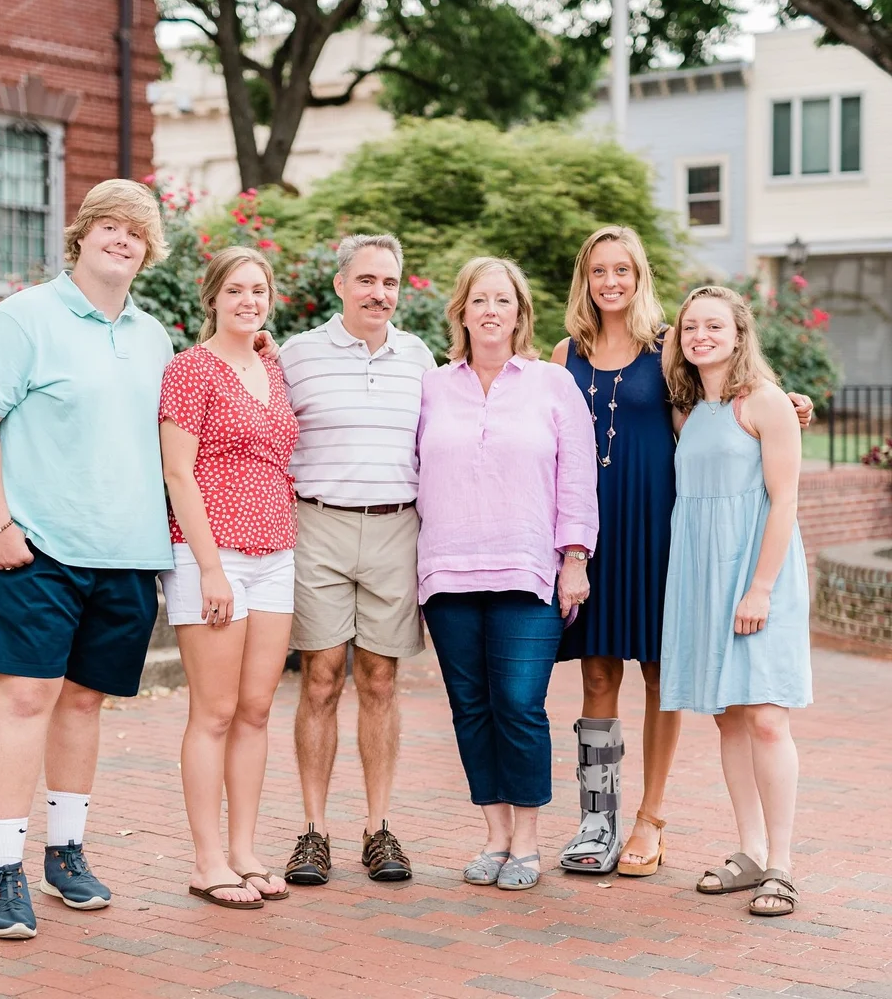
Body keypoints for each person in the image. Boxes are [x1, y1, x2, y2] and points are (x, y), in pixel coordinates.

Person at [551, 226, 813, 878]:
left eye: (623, 269)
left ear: (640, 276)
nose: (611, 281)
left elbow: (729, 395)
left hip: (659, 527)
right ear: (585, 279)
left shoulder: (668, 345)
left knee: (659, 675)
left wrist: (789, 407)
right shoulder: (564, 354)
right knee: (597, 674)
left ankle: (651, 818)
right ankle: (598, 817)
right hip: (591, 530)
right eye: (598, 270)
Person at [0, 179, 174, 939]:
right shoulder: (20, 319)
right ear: (81, 235)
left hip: (126, 553)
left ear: (148, 251)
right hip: (34, 546)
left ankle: (65, 853)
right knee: (25, 699)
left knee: (83, 702)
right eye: (109, 225)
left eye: (136, 232)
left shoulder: (154, 336)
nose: (122, 239)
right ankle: (3, 870)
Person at [418, 257, 598, 891]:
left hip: (529, 570)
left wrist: (574, 558)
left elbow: (577, 477)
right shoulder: (432, 386)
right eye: (479, 300)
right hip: (447, 571)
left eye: (503, 300)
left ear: (520, 313)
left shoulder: (552, 383)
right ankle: (494, 837)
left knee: (520, 705)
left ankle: (526, 841)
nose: (490, 310)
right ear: (461, 312)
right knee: (470, 706)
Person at [279, 234, 435, 886]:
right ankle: (313, 831)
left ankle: (378, 827)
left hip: (397, 527)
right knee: (319, 679)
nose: (379, 293)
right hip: (318, 525)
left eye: (390, 282)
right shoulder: (296, 355)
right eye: (367, 280)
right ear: (340, 284)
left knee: (379, 680)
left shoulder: (419, 357)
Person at [660, 285, 810, 917]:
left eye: (714, 325)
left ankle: (782, 864)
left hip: (756, 572)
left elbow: (785, 499)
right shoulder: (688, 409)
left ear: (739, 333)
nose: (701, 336)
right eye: (690, 326)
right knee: (727, 716)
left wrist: (760, 587)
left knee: (768, 717)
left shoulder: (766, 401)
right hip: (704, 575)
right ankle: (749, 850)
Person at [159, 247, 299, 910]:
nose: (249, 300)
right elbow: (177, 472)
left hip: (276, 554)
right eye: (236, 290)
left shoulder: (271, 365)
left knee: (255, 711)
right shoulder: (190, 370)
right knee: (213, 713)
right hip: (210, 556)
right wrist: (211, 569)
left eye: (259, 290)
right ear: (212, 296)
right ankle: (207, 859)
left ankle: (243, 850)